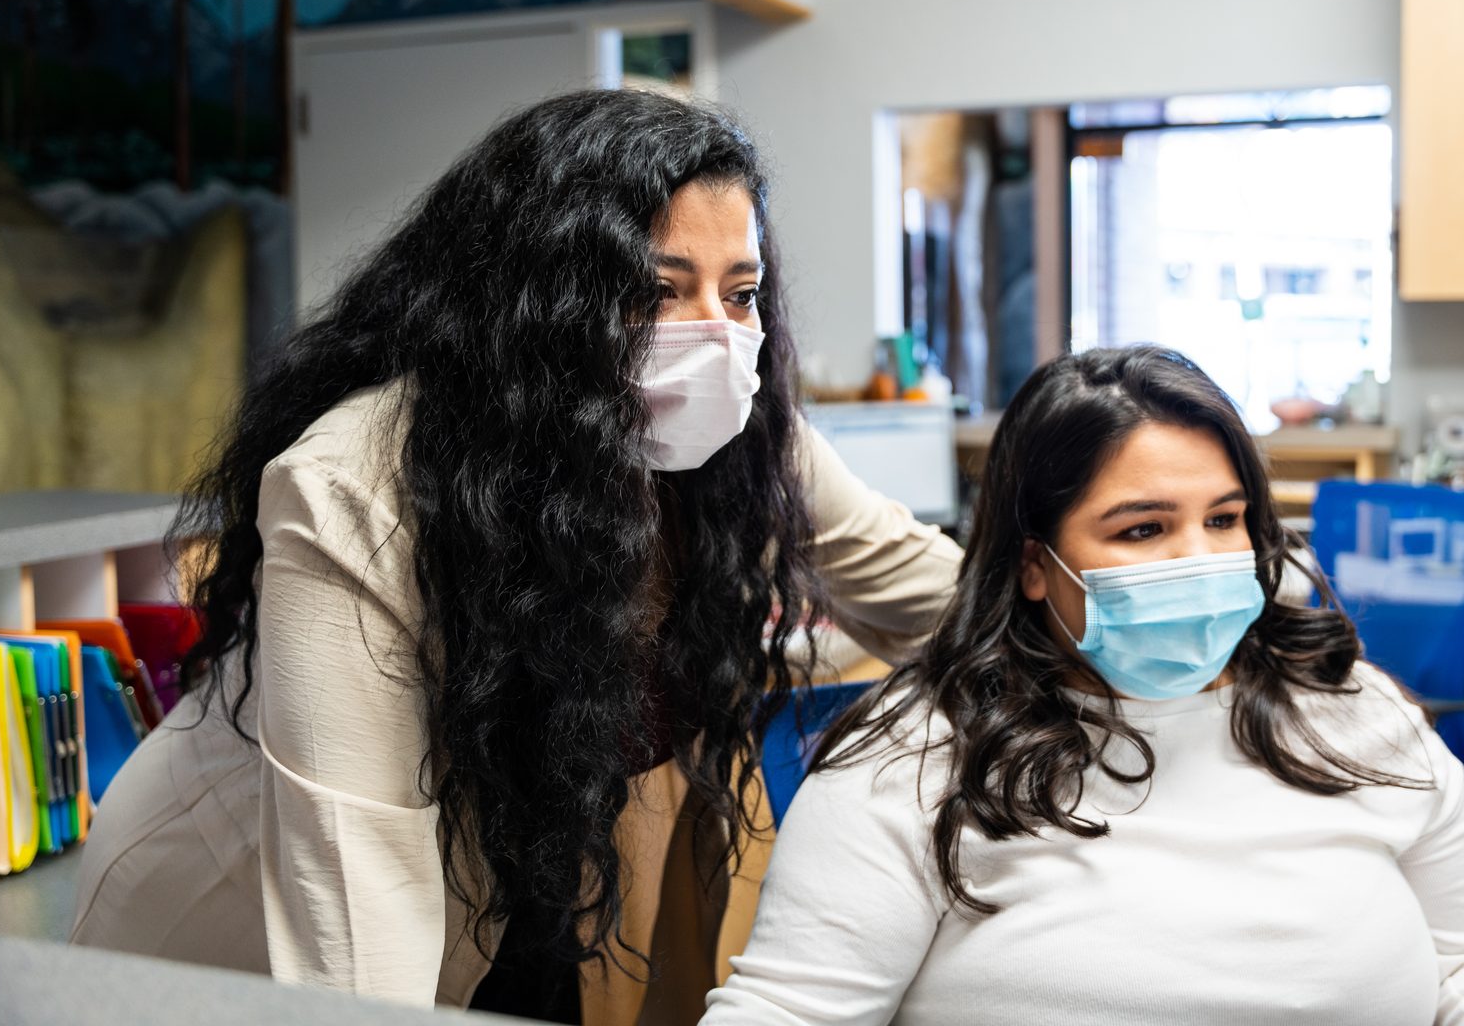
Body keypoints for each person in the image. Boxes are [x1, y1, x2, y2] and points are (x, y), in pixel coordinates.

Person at [70, 89, 962, 1023]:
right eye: (657, 290)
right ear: (542, 303)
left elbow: (940, 596)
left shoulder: (741, 439)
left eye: (740, 295)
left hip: (499, 896)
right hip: (227, 933)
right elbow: (359, 921)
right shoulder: (356, 488)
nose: (717, 334)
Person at [705, 346, 1464, 1026]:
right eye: (1143, 528)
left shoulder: (1356, 713)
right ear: (1035, 565)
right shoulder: (916, 755)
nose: (1199, 559)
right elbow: (790, 1008)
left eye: (1226, 519)